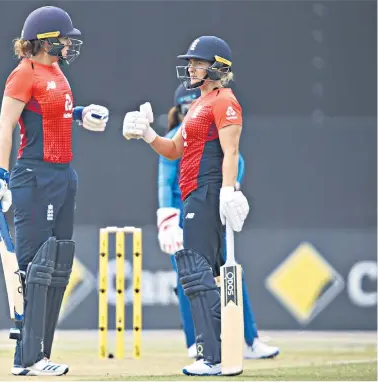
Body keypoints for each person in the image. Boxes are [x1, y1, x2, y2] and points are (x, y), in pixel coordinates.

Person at [0, 6, 109, 377]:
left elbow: (53, 114)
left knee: (58, 263)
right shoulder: (23, 74)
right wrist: (1, 176)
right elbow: (7, 127)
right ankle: (28, 358)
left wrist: (80, 114)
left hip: (64, 175)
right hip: (34, 176)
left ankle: (41, 355)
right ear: (47, 40)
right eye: (64, 38)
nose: (69, 44)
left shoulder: (56, 72)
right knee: (36, 267)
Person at [123, 35, 249, 376]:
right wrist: (147, 134)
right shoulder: (197, 104)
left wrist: (226, 191)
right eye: (191, 61)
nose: (191, 67)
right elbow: (173, 150)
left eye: (198, 62)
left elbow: (231, 151)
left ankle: (213, 356)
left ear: (217, 67)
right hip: (195, 193)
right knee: (202, 273)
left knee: (197, 272)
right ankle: (217, 351)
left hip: (207, 192)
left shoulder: (225, 101)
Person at [158, 84, 280, 361]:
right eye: (185, 107)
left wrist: (231, 186)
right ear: (179, 110)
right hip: (183, 213)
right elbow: (165, 180)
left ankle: (249, 339)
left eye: (194, 105)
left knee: (230, 275)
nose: (191, 111)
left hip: (211, 206)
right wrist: (167, 218)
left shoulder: (211, 131)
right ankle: (195, 341)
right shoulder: (176, 135)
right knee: (189, 278)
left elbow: (237, 158)